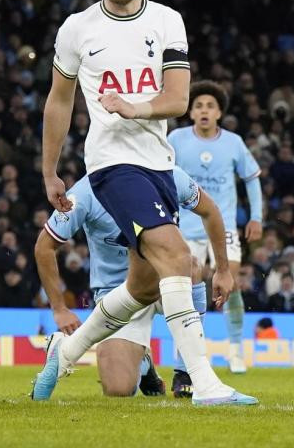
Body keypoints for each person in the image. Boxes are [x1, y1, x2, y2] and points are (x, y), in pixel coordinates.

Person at [34, 0, 254, 406]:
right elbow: (59, 100)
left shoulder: (167, 21)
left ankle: (66, 350)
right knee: (178, 260)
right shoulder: (77, 28)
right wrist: (50, 170)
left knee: (143, 282)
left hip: (159, 162)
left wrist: (132, 108)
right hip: (112, 164)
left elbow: (177, 99)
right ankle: (204, 383)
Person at [36, 166, 230, 398]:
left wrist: (223, 269)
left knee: (191, 265)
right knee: (118, 389)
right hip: (116, 296)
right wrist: (59, 309)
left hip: (163, 282)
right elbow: (44, 247)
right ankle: (143, 362)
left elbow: (211, 210)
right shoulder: (86, 192)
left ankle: (185, 372)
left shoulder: (169, 174)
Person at [169, 80, 263, 381]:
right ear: (191, 112)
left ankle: (235, 350)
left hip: (222, 228)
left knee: (230, 281)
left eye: (210, 106)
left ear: (219, 112)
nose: (204, 110)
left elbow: (252, 178)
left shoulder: (233, 142)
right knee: (186, 291)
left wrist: (256, 217)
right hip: (186, 226)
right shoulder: (176, 139)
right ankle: (186, 354)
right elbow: (162, 176)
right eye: (198, 106)